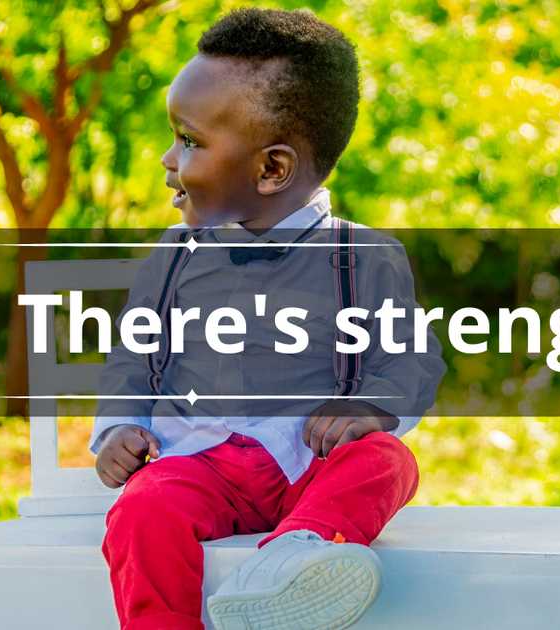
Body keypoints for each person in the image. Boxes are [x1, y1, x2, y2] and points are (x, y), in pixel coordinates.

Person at [90, 8, 445, 630]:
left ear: (272, 169)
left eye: (190, 141)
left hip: (308, 465)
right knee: (142, 510)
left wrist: (369, 409)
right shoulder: (171, 260)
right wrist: (118, 430)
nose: (168, 159)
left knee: (387, 460)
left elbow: (409, 362)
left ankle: (295, 561)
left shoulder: (362, 258)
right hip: (198, 464)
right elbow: (131, 364)